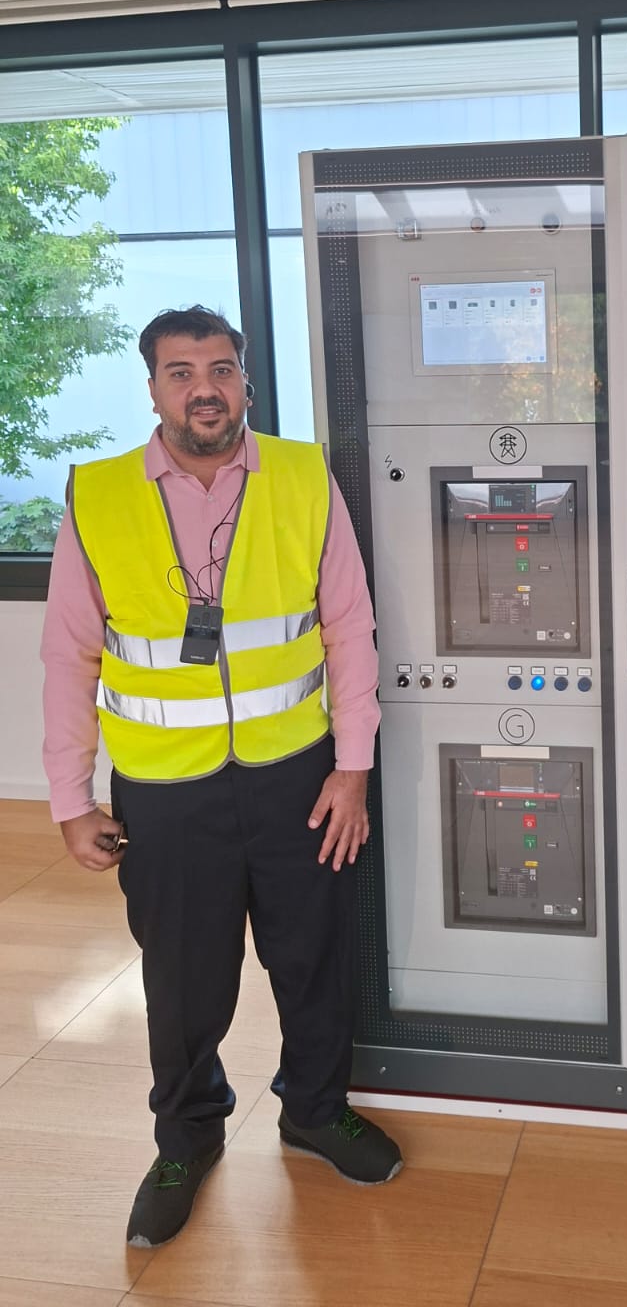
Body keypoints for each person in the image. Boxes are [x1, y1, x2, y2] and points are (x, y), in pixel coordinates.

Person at [40, 305, 401, 1249]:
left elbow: (349, 627)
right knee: (184, 977)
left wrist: (353, 767)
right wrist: (71, 799)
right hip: (164, 788)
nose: (205, 389)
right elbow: (69, 656)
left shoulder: (302, 475)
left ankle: (315, 1110)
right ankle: (186, 1136)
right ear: (154, 389)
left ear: (245, 380)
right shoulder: (99, 495)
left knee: (313, 955)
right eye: (182, 373)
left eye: (221, 370)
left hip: (299, 777)